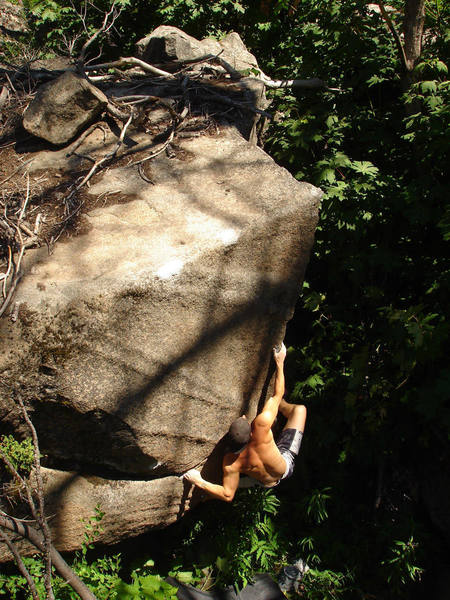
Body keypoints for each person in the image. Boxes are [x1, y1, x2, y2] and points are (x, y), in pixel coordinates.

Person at [183, 342, 306, 501]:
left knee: (234, 480)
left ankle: (250, 481)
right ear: (250, 429)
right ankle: (281, 406)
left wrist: (198, 481)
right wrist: (280, 362)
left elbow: (228, 495)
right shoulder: (261, 426)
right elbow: (277, 394)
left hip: (262, 481)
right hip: (285, 466)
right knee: (299, 410)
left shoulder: (231, 462)